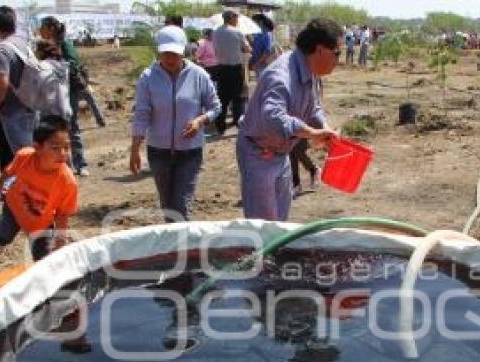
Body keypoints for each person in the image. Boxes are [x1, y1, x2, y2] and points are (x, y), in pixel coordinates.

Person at [236, 18, 341, 221]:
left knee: (280, 224)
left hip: (280, 153)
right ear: (320, 50)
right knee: (264, 228)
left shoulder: (310, 72)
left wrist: (324, 128)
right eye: (336, 53)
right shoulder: (281, 75)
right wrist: (311, 133)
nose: (338, 59)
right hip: (258, 153)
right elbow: (273, 118)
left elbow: (313, 107)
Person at [130, 26, 221, 221]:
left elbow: (216, 107)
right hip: (158, 152)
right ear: (158, 52)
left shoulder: (199, 75)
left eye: (175, 54)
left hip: (190, 152)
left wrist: (200, 120)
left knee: (181, 206)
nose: (170, 59)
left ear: (183, 52)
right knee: (167, 206)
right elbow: (142, 114)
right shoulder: (147, 78)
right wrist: (135, 149)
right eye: (165, 54)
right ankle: (174, 246)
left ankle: (183, 247)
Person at [0, 116, 77, 261]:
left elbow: (62, 215)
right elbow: (8, 172)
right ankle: (0, 243)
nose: (63, 153)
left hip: (41, 224)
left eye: (66, 147)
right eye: (55, 148)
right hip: (13, 208)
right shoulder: (25, 156)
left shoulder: (68, 182)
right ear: (37, 147)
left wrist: (60, 241)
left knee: (44, 259)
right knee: (2, 234)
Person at [39, 16, 90, 176]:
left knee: (71, 127)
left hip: (68, 92)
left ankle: (80, 164)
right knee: (56, 130)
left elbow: (73, 63)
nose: (41, 31)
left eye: (43, 27)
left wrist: (57, 68)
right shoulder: (44, 46)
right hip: (53, 94)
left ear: (51, 28)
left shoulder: (64, 44)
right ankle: (64, 165)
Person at [0, 6, 36, 154]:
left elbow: (2, 81)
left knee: (24, 158)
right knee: (36, 155)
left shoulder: (1, 50)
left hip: (14, 111)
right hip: (33, 107)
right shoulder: (25, 46)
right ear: (14, 24)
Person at [212, 9, 251, 135]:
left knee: (222, 97)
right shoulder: (237, 32)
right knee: (237, 98)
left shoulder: (216, 32)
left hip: (221, 68)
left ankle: (220, 124)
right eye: (236, 17)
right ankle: (237, 122)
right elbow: (248, 48)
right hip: (235, 68)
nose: (237, 20)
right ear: (232, 18)